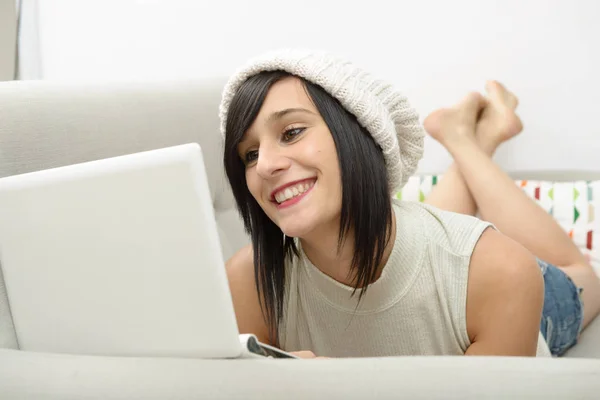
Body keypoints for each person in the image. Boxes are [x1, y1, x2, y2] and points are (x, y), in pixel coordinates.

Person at [219, 50, 600, 358]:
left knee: (581, 277)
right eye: (249, 154)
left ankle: (466, 141)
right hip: (432, 259)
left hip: (515, 304)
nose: (266, 165)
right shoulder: (247, 282)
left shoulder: (503, 273)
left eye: (291, 132)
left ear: (360, 135)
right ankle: (468, 138)